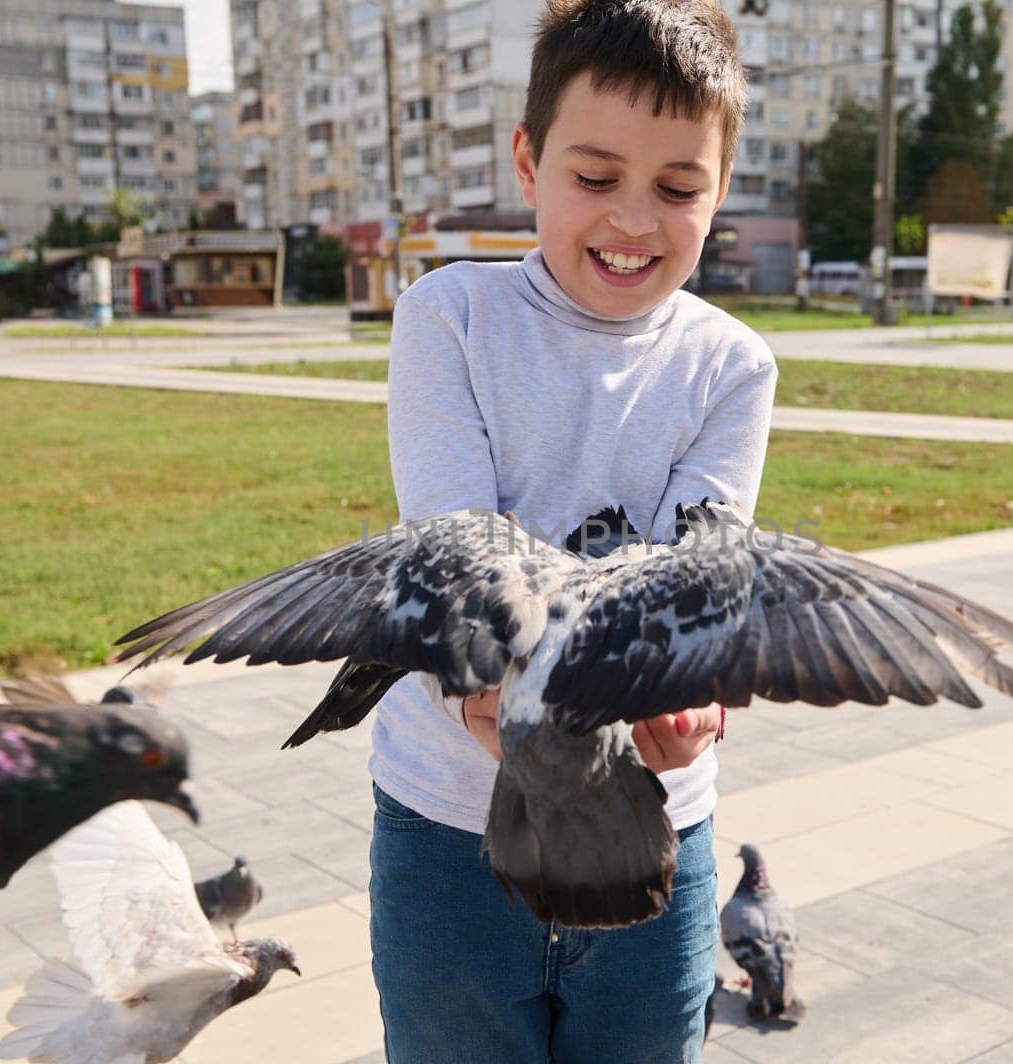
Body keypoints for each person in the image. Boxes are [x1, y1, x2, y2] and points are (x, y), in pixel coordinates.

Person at [369, 0, 776, 1058]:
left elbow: (704, 580)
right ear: (526, 160)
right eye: (594, 178)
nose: (634, 219)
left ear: (720, 188)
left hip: (656, 822)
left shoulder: (732, 364)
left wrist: (687, 697)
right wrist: (484, 694)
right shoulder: (448, 316)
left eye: (678, 188)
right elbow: (451, 557)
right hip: (449, 826)